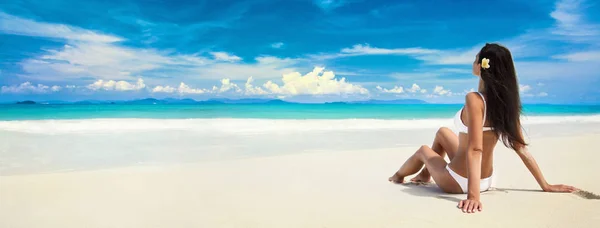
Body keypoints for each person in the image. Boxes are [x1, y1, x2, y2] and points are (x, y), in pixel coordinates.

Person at [387, 43, 578, 214]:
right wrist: (545, 185)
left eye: (475, 58)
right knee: (442, 132)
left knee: (423, 150)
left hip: (461, 181)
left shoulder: (475, 99)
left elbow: (475, 148)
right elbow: (520, 147)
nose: (473, 62)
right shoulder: (506, 103)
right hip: (487, 179)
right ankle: (424, 174)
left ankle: (397, 176)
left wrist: (473, 196)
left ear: (482, 66)